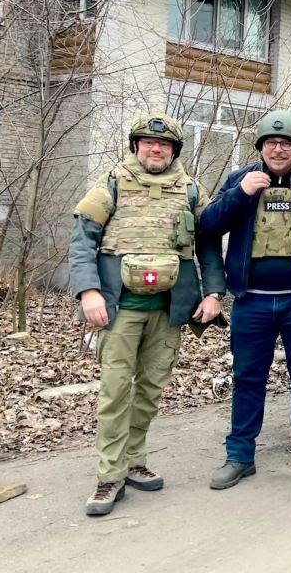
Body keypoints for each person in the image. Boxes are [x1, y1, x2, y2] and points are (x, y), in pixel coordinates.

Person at [69, 112, 226, 517]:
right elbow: (83, 239)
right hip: (119, 308)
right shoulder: (112, 182)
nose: (156, 149)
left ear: (174, 150)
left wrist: (213, 294)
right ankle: (110, 475)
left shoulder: (191, 189)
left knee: (151, 390)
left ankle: (134, 459)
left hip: (169, 309)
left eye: (165, 145)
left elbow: (208, 243)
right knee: (115, 392)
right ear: (136, 146)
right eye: (149, 143)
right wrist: (88, 291)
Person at [199, 111, 291, 493]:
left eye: (286, 144)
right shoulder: (240, 180)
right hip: (252, 303)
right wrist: (241, 193)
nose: (278, 149)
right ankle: (240, 457)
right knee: (247, 380)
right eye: (271, 143)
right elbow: (208, 226)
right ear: (261, 147)